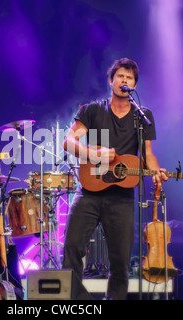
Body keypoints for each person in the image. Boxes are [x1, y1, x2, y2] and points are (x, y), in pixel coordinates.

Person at [62, 58, 168, 300]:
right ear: (111, 81)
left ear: (134, 85)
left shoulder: (142, 117)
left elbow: (148, 155)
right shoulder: (92, 110)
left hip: (121, 197)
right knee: (71, 250)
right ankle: (80, 303)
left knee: (121, 262)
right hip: (88, 192)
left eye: (130, 78)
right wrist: (93, 154)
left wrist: (157, 173)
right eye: (120, 76)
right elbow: (68, 142)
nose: (124, 80)